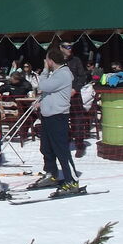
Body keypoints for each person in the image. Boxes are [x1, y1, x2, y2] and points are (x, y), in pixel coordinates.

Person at [30, 48, 80, 195]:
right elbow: (50, 93)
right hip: (48, 115)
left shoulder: (63, 73)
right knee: (46, 148)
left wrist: (44, 71)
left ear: (51, 61)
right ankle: (51, 173)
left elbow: (43, 86)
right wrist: (41, 103)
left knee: (61, 150)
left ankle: (72, 181)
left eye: (47, 60)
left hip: (58, 116)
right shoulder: (57, 74)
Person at [60, 41, 90, 158]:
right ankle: (65, 141)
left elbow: (82, 76)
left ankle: (79, 145)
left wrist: (75, 89)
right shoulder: (56, 61)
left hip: (74, 95)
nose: (69, 49)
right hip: (60, 96)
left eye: (71, 47)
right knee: (61, 120)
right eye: (67, 47)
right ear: (61, 48)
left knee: (77, 120)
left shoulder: (76, 60)